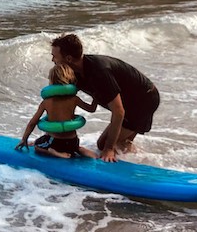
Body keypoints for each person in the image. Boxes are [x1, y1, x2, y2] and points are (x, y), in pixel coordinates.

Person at [50, 34, 160, 162]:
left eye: (54, 56)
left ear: (68, 58)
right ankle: (140, 161)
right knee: (122, 144)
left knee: (104, 146)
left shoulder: (99, 72)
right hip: (133, 100)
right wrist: (50, 138)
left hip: (143, 100)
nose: (53, 60)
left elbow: (119, 112)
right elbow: (59, 105)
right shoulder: (74, 73)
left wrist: (109, 149)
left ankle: (141, 163)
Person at [15, 64, 97, 158]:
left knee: (37, 147)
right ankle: (82, 150)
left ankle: (53, 152)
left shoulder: (46, 102)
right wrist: (95, 98)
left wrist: (24, 139)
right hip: (72, 140)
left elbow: (32, 123)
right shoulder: (74, 99)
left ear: (52, 81)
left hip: (56, 142)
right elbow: (91, 109)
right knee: (74, 147)